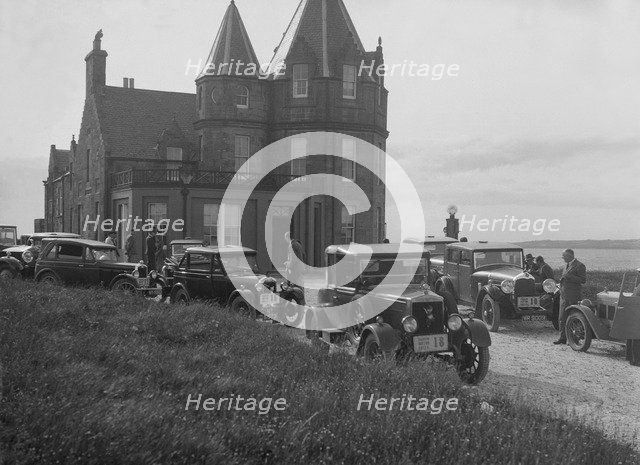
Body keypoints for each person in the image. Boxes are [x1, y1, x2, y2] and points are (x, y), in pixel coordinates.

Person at [554, 249, 587, 345]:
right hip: (563, 296)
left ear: (569, 256)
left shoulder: (580, 265)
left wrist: (569, 277)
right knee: (562, 318)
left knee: (573, 317)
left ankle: (574, 339)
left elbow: (583, 280)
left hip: (574, 296)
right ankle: (563, 338)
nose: (562, 258)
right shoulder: (565, 266)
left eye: (564, 256)